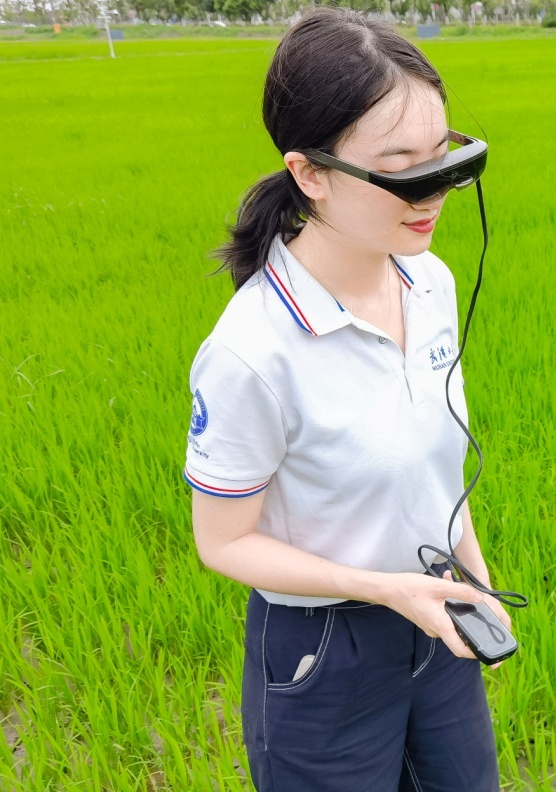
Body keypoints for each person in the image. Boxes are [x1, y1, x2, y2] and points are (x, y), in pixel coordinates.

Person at [184, 8, 510, 790]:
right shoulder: (251, 352)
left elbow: (433, 467)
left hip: (435, 613)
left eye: (445, 158)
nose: (434, 190)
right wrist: (381, 589)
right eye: (401, 166)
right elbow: (223, 542)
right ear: (310, 174)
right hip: (320, 648)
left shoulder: (429, 281)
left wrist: (477, 578)